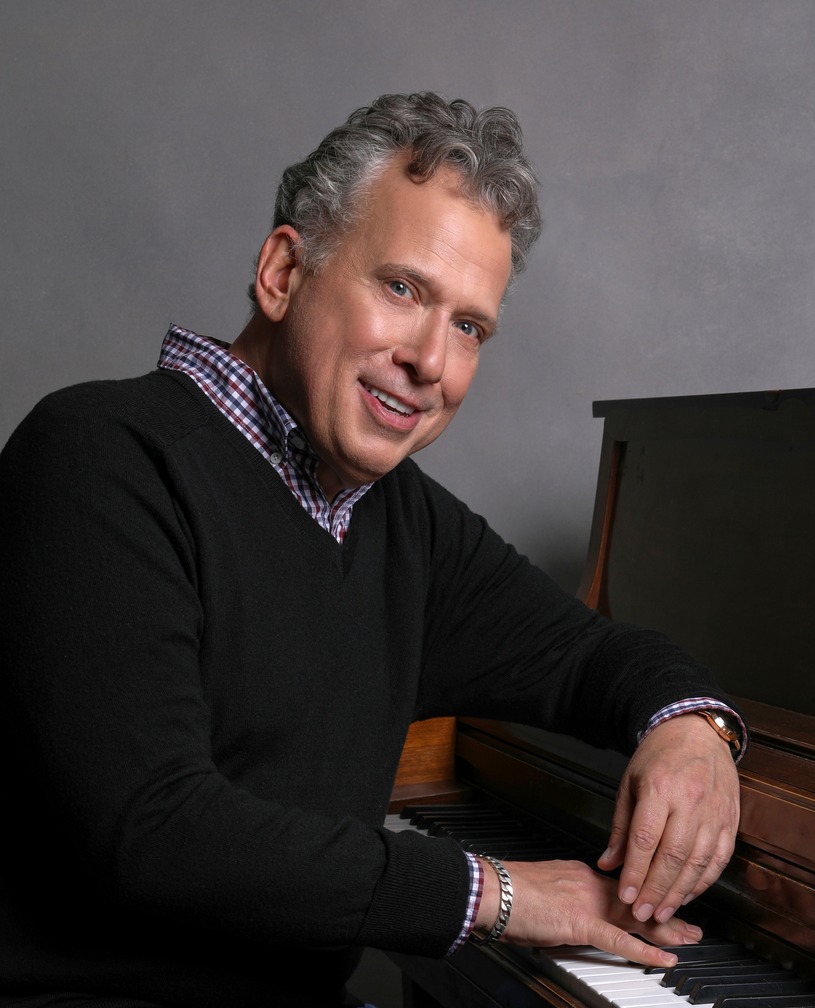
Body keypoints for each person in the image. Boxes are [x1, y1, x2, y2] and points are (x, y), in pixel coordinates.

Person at [0, 92, 744, 1008]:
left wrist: (691, 728)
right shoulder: (98, 454)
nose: (430, 361)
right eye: (403, 289)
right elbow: (155, 831)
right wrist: (497, 894)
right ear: (283, 272)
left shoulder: (399, 519)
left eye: (469, 327)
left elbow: (588, 655)